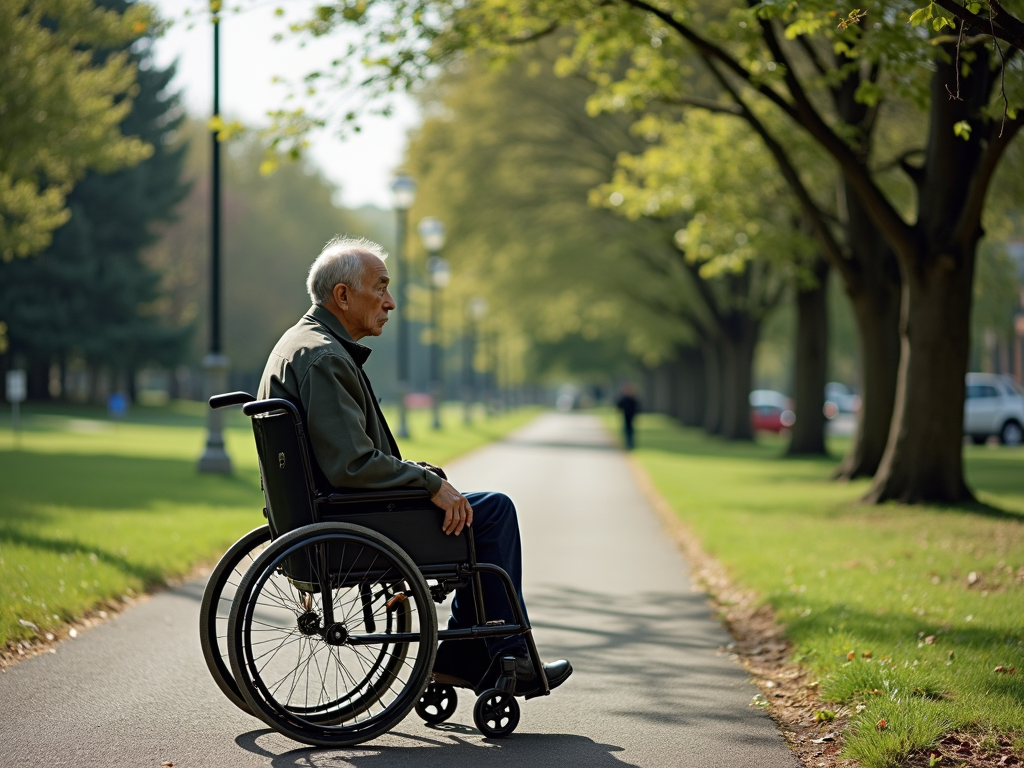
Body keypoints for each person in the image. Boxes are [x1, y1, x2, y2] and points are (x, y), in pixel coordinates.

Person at [258, 236, 572, 695]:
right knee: (494, 512)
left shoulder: (303, 345)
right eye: (380, 287)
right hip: (353, 517)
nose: (391, 301)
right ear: (342, 296)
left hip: (331, 514)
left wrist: (423, 475)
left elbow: (346, 457)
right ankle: (506, 654)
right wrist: (426, 482)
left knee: (472, 507)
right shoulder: (324, 356)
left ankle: (466, 656)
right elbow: (352, 465)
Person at [615, 383, 641, 450]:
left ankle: (631, 443)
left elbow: (637, 408)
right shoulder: (624, 399)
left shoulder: (633, 399)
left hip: (632, 416)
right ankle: (628, 443)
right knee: (626, 429)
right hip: (626, 416)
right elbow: (619, 407)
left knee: (631, 430)